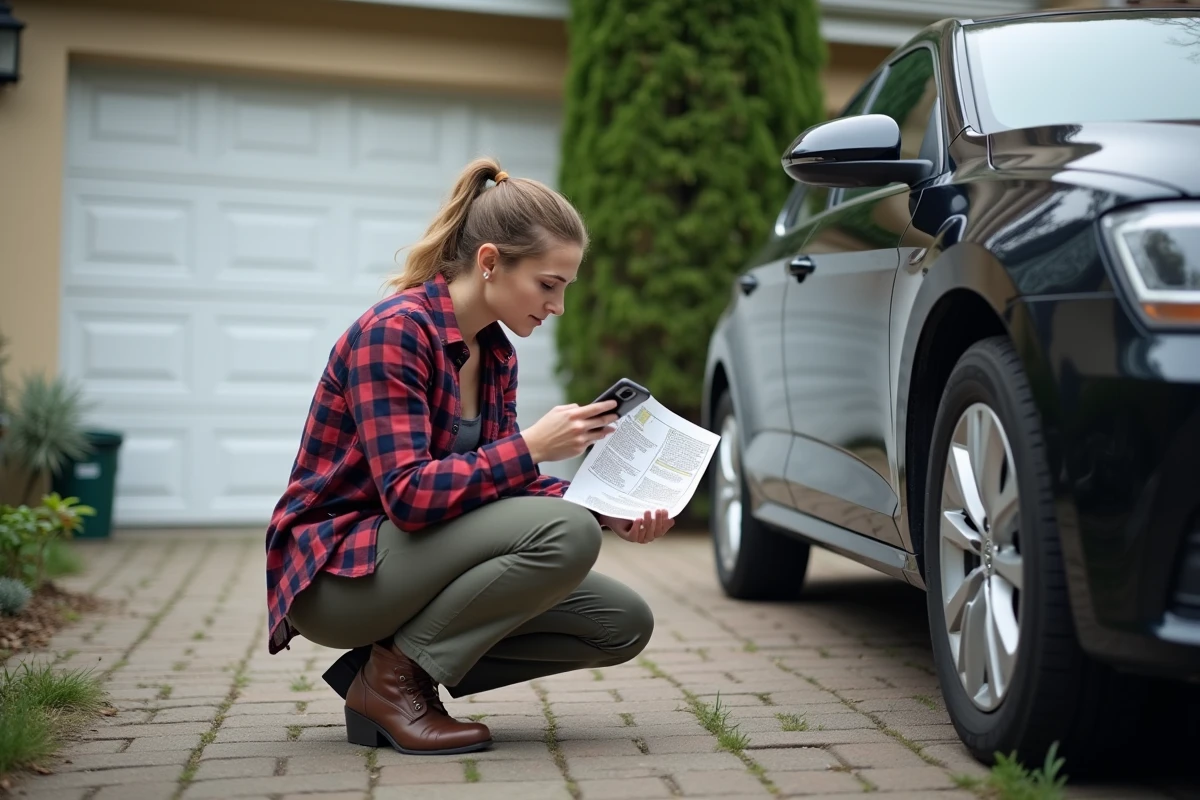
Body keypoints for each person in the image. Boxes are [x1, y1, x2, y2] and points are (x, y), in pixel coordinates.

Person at [263, 157, 674, 757]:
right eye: (548, 285)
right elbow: (407, 494)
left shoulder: (494, 351)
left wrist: (609, 508)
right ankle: (393, 683)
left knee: (621, 621)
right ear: (489, 262)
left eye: (566, 288)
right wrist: (531, 446)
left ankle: (390, 675)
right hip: (338, 572)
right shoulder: (395, 332)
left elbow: (506, 489)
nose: (557, 307)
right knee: (565, 534)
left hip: (404, 561)